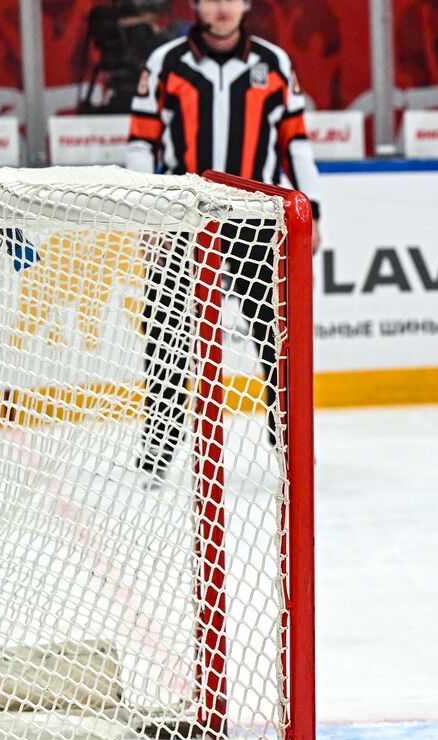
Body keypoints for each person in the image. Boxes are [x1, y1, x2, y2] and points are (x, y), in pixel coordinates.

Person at [126, 0, 320, 478]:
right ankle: (158, 450)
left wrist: (313, 212)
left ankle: (292, 447)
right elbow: (140, 143)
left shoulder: (273, 64)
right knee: (166, 333)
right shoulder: (166, 63)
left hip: (255, 218)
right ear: (195, 5)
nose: (222, 8)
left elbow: (296, 144)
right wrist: (150, 215)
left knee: (277, 336)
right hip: (181, 219)